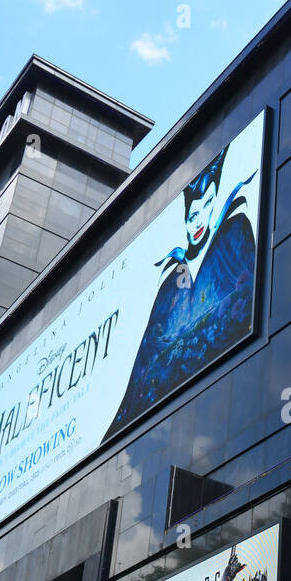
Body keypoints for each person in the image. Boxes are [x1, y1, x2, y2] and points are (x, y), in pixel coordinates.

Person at [108, 148, 259, 434]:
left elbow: (248, 308)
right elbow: (142, 372)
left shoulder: (234, 233)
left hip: (229, 401)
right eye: (192, 215)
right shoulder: (171, 283)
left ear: (217, 199)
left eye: (207, 206)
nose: (198, 222)